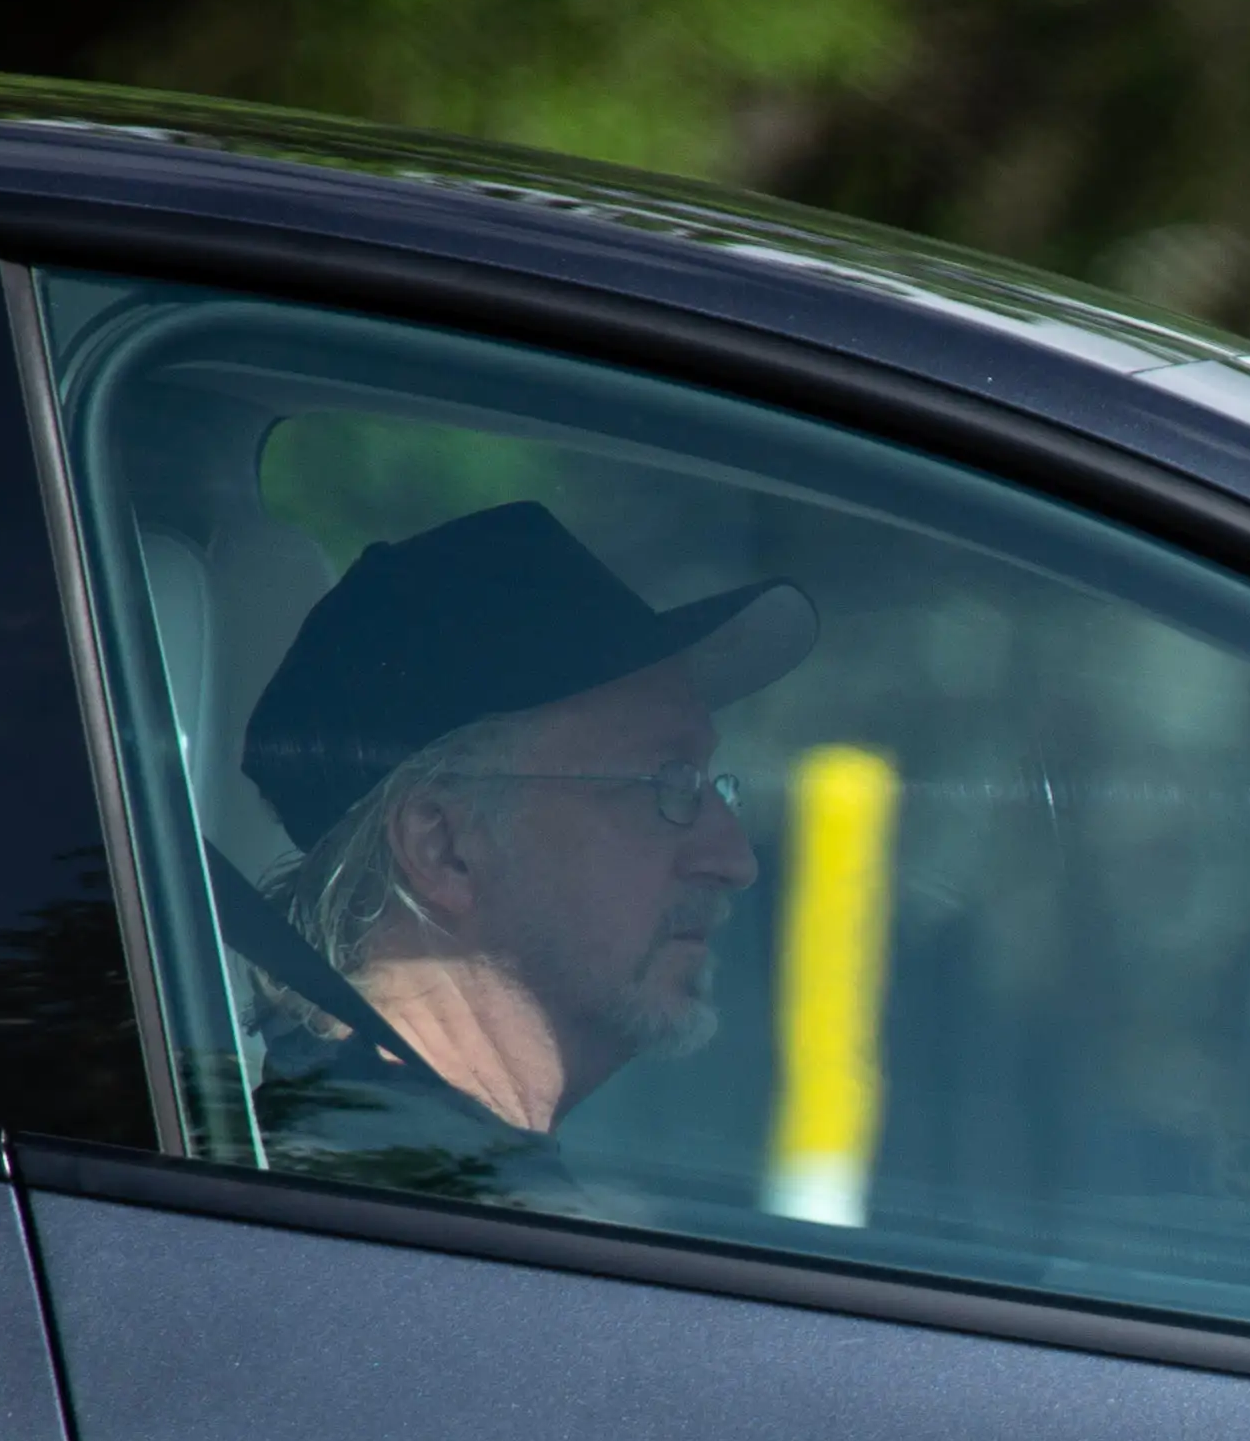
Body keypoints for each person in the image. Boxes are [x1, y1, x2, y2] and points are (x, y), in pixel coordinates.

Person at [232, 498, 814, 1192]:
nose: (735, 861)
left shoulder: (396, 1180)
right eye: (666, 780)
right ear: (445, 846)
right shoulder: (389, 1210)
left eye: (709, 781)